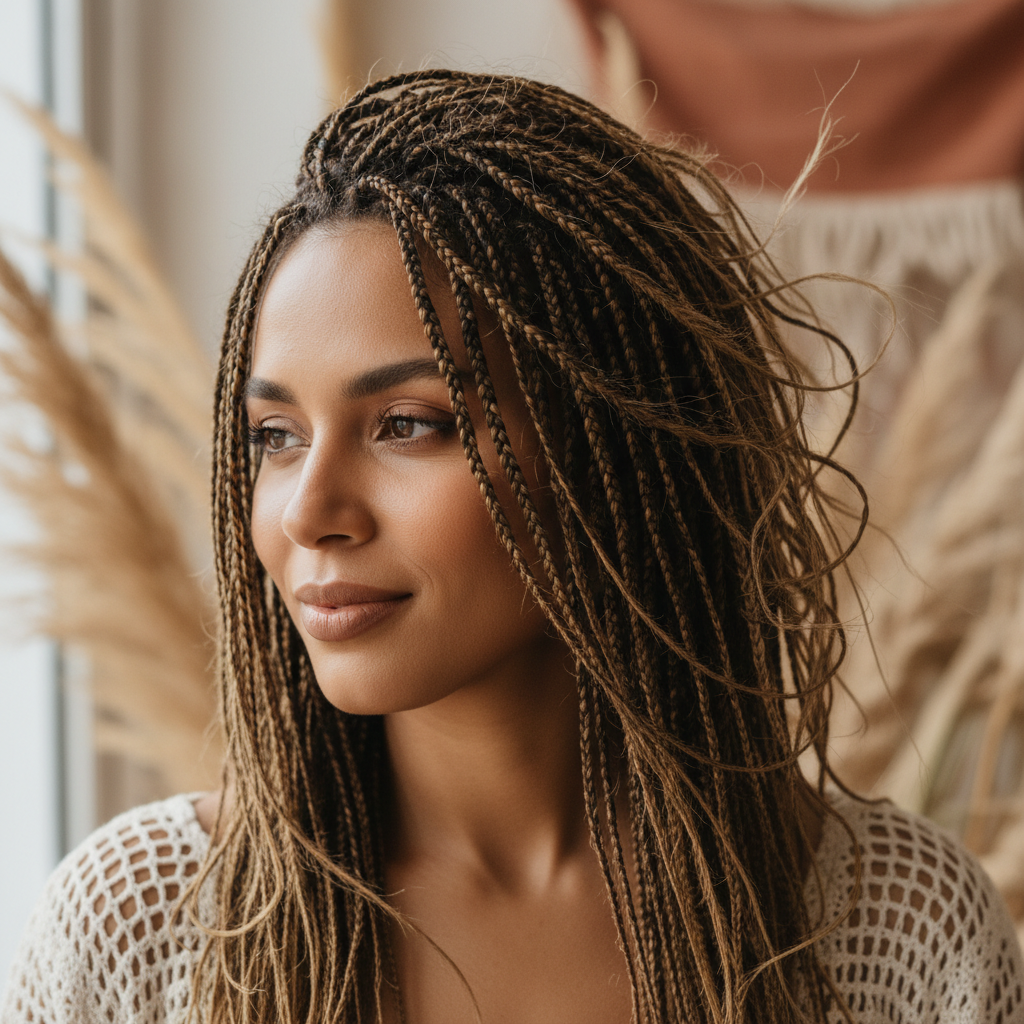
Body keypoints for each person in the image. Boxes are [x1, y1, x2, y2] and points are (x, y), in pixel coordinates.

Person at [3, 70, 1022, 1024]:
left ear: (615, 446)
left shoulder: (897, 933)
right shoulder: (139, 931)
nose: (309, 511)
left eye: (407, 424)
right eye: (276, 436)